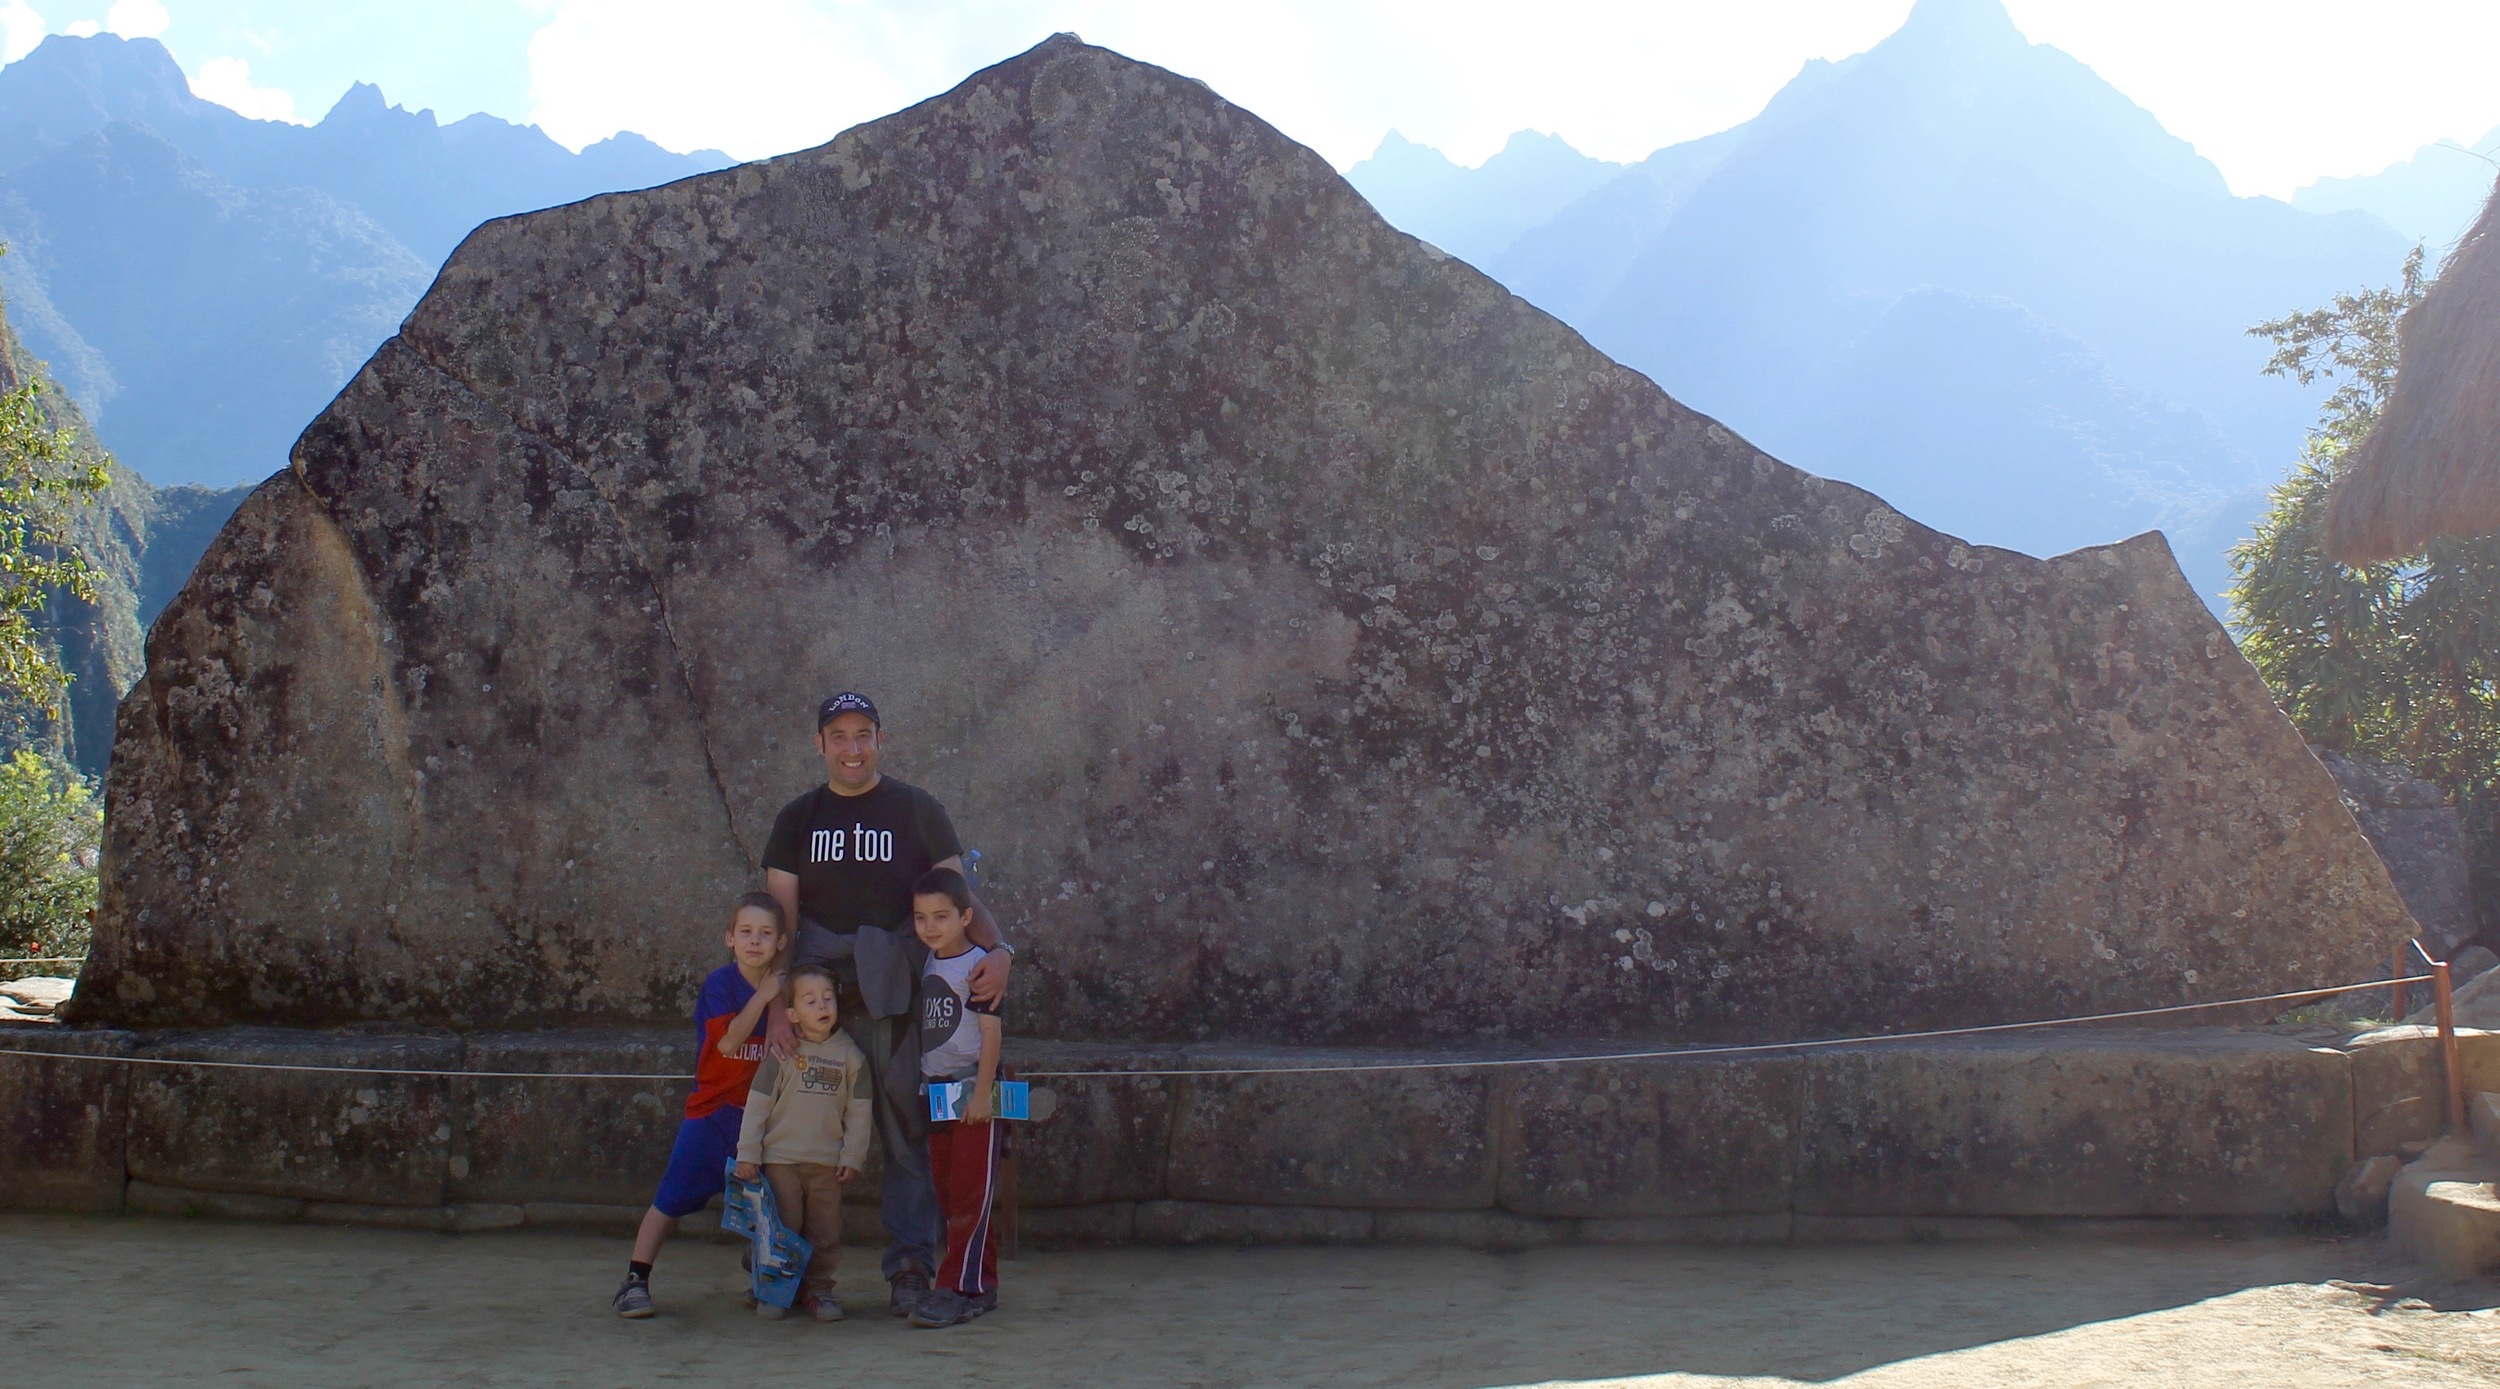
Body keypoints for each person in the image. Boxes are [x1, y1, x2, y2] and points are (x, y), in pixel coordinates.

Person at [760, 691, 1014, 1317]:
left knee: (906, 1133)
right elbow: (782, 922)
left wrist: (1002, 948)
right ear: (820, 744)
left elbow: (957, 894)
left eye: (864, 734)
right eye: (839, 736)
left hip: (895, 989)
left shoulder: (916, 809)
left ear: (880, 739)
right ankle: (787, 1271)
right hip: (816, 987)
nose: (852, 748)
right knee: (799, 1135)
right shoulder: (797, 818)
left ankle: (909, 1268)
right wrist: (775, 1006)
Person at [614, 892, 787, 1319]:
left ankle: (766, 1277)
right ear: (730, 938)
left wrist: (779, 996)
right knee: (671, 1197)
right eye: (745, 932)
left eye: (765, 934)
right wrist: (764, 996)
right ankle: (635, 1278)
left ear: (781, 943)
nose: (755, 941)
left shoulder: (786, 991)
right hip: (713, 1112)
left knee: (773, 1205)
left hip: (763, 1119)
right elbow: (728, 1043)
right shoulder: (721, 985)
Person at [734, 963, 873, 1323]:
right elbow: (758, 1104)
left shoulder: (852, 1057)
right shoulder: (781, 1053)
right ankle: (773, 1287)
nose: (822, 1006)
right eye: (810, 1001)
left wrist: (853, 1155)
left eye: (827, 999)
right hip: (781, 1160)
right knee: (783, 1227)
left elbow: (860, 1112)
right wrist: (747, 1153)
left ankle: (819, 1289)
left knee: (825, 1231)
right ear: (792, 1013)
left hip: (827, 1163)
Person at [904, 867, 1007, 1328]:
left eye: (941, 917)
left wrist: (982, 1094)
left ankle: (952, 1288)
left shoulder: (978, 967)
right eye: (922, 917)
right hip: (937, 1090)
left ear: (966, 916)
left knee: (971, 1193)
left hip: (972, 1092)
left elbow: (991, 1033)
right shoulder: (930, 962)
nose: (930, 927)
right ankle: (981, 1285)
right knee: (950, 1195)